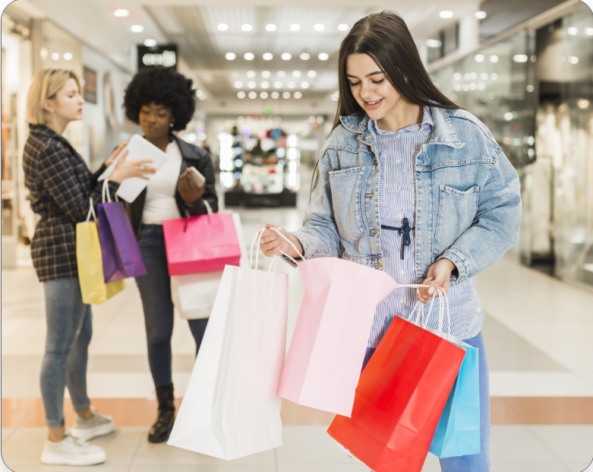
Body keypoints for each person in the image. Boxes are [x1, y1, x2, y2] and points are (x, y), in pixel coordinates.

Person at [259, 11, 521, 472]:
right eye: (355, 81)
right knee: (391, 460)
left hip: (448, 327)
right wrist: (293, 242)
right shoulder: (344, 142)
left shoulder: (464, 136)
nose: (366, 93)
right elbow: (324, 225)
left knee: (466, 459)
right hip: (372, 331)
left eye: (376, 78)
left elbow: (502, 214)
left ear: (404, 68)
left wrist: (453, 262)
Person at [23, 69, 155, 466]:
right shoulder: (47, 147)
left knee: (80, 337)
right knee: (59, 346)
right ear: (48, 103)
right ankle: (55, 437)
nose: (80, 99)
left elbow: (81, 191)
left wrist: (106, 169)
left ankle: (82, 415)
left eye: (79, 93)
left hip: (72, 254)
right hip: (61, 254)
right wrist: (117, 176)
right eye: (70, 94)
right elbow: (81, 207)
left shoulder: (55, 142)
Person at [122, 66, 218, 444]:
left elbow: (211, 210)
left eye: (161, 112)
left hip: (189, 239)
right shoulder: (129, 152)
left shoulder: (194, 156)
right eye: (145, 110)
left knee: (202, 329)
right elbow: (107, 200)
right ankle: (165, 409)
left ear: (175, 115)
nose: (151, 119)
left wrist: (194, 202)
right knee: (158, 330)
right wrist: (115, 177)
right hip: (147, 242)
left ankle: (203, 408)